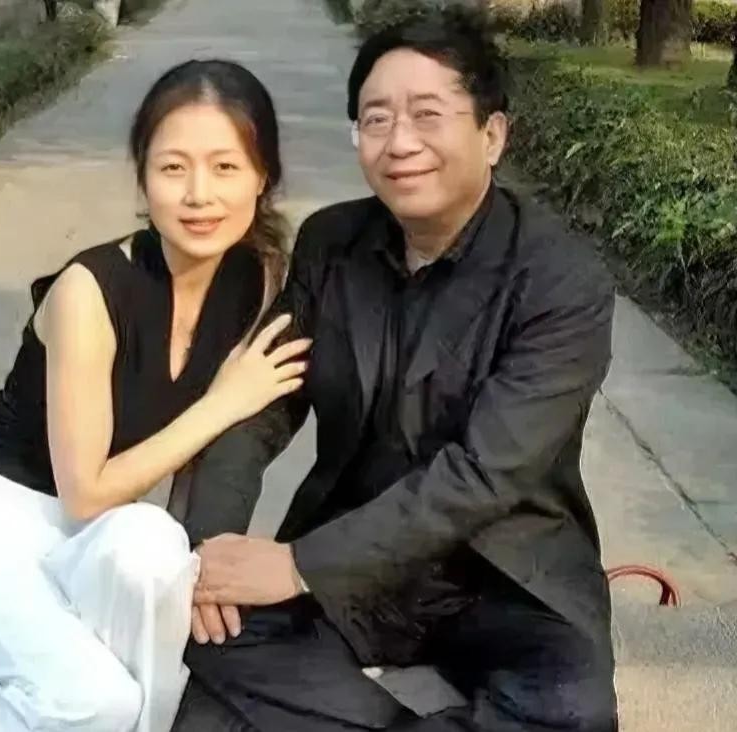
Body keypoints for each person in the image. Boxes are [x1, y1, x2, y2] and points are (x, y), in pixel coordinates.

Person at [170, 9, 618, 732]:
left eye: (427, 115)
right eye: (376, 119)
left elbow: (484, 474)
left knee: (573, 708)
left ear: (492, 134)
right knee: (200, 637)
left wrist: (297, 566)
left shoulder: (560, 280)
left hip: (502, 569)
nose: (400, 143)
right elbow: (262, 407)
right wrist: (205, 558)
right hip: (351, 561)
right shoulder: (332, 242)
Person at [0, 59, 310, 732]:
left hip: (87, 538)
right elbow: (88, 491)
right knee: (97, 701)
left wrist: (194, 576)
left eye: (225, 167)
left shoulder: (256, 275)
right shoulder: (89, 290)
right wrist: (223, 401)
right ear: (143, 177)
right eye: (173, 168)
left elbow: (189, 469)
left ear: (262, 176)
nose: (199, 195)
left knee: (156, 544)